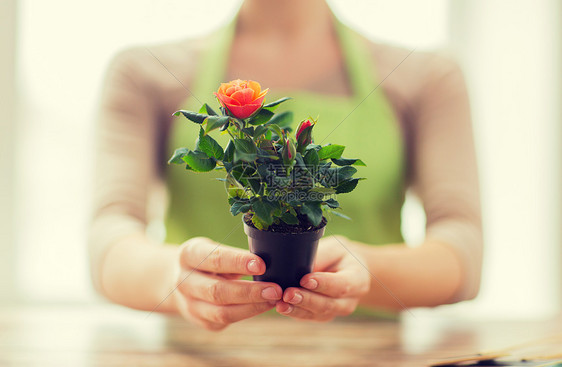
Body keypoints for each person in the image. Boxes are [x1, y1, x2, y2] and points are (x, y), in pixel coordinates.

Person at [90, 0, 482, 331]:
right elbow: (109, 239)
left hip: (369, 355)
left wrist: (367, 271)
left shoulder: (426, 76)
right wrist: (175, 277)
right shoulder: (144, 72)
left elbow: (462, 250)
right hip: (198, 354)